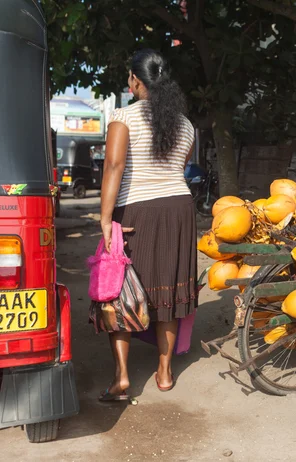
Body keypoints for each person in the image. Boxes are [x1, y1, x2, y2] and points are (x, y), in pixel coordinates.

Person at [97, 49, 197, 400]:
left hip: (137, 211)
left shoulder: (123, 116)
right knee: (167, 291)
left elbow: (113, 167)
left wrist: (105, 220)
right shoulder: (185, 124)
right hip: (179, 210)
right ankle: (165, 372)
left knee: (119, 291)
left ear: (136, 80)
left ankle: (122, 378)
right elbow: (178, 167)